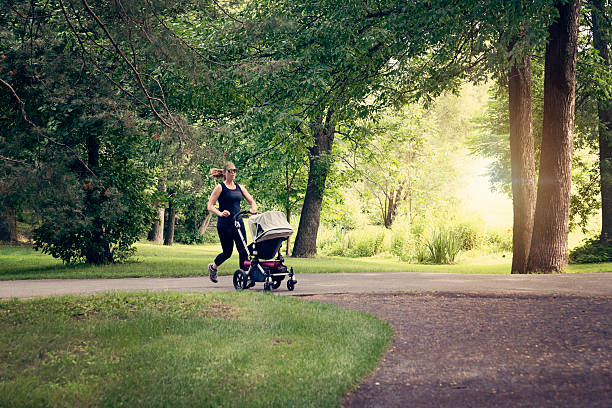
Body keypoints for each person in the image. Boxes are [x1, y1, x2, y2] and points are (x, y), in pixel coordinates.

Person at [207, 162, 257, 283]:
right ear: (224, 172)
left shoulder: (240, 187)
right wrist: (220, 213)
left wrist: (253, 208)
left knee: (243, 250)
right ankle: (213, 267)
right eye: (231, 171)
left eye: (235, 170)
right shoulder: (220, 187)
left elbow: (252, 201)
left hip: (238, 223)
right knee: (227, 252)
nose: (233, 173)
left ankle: (244, 276)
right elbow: (210, 206)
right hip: (224, 224)